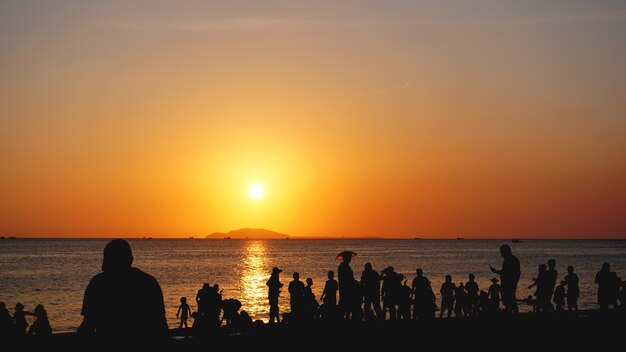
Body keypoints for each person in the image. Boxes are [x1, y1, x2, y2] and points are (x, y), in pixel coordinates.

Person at [77, 239, 168, 339]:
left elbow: (88, 324)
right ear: (131, 260)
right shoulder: (149, 283)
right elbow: (161, 325)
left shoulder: (98, 283)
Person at [490, 244, 520, 313]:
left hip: (508, 284)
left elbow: (506, 272)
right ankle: (512, 312)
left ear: (506, 251)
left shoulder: (510, 260)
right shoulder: (511, 259)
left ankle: (513, 313)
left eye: (502, 252)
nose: (501, 254)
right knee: (510, 300)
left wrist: (495, 271)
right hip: (509, 283)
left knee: (510, 300)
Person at [338, 252, 358, 320]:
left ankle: (345, 318)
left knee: (346, 305)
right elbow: (348, 279)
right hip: (346, 289)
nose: (350, 259)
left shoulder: (344, 266)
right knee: (345, 305)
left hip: (345, 289)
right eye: (349, 258)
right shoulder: (344, 267)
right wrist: (354, 282)